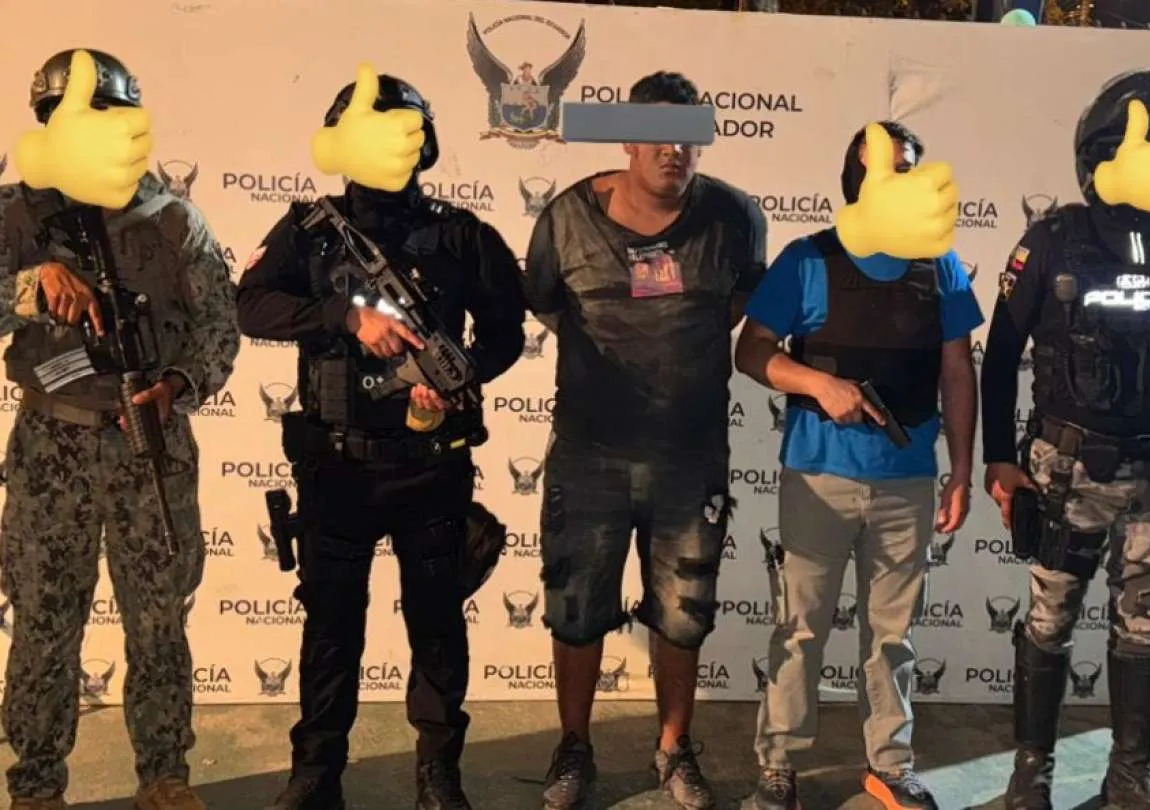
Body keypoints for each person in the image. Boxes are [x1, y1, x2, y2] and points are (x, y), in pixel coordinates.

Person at [235, 73, 526, 810]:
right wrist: (344, 316)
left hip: (430, 466)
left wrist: (457, 381)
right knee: (331, 629)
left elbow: (504, 334)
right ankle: (316, 774)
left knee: (437, 626)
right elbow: (251, 306)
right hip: (337, 465)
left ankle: (438, 773)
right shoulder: (311, 231)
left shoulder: (462, 235)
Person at [0, 49, 240, 810]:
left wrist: (180, 385)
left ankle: (163, 776)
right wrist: (30, 286)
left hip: (150, 444)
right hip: (52, 444)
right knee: (43, 623)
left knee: (160, 621)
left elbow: (219, 327)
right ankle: (36, 785)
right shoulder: (15, 214)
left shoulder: (172, 219)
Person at [522, 70, 767, 810]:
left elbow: (735, 307)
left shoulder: (736, 218)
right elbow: (548, 305)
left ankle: (674, 747)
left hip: (689, 460)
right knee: (576, 610)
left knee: (683, 614)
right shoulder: (566, 219)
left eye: (688, 135)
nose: (673, 150)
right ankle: (573, 747)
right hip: (588, 455)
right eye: (657, 134)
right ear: (625, 139)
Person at [734, 121, 982, 810]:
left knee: (893, 638)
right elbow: (751, 351)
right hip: (818, 477)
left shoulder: (940, 265)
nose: (907, 179)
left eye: (911, 167)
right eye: (892, 168)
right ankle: (779, 764)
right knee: (800, 630)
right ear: (857, 180)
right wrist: (819, 384)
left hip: (907, 482)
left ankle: (890, 765)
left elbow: (957, 373)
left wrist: (962, 473)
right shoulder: (807, 259)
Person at [981, 69, 1150, 810]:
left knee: (1146, 625)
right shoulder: (1053, 239)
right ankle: (1031, 770)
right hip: (1066, 472)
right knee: (1049, 618)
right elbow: (1000, 355)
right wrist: (998, 458)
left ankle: (1130, 775)